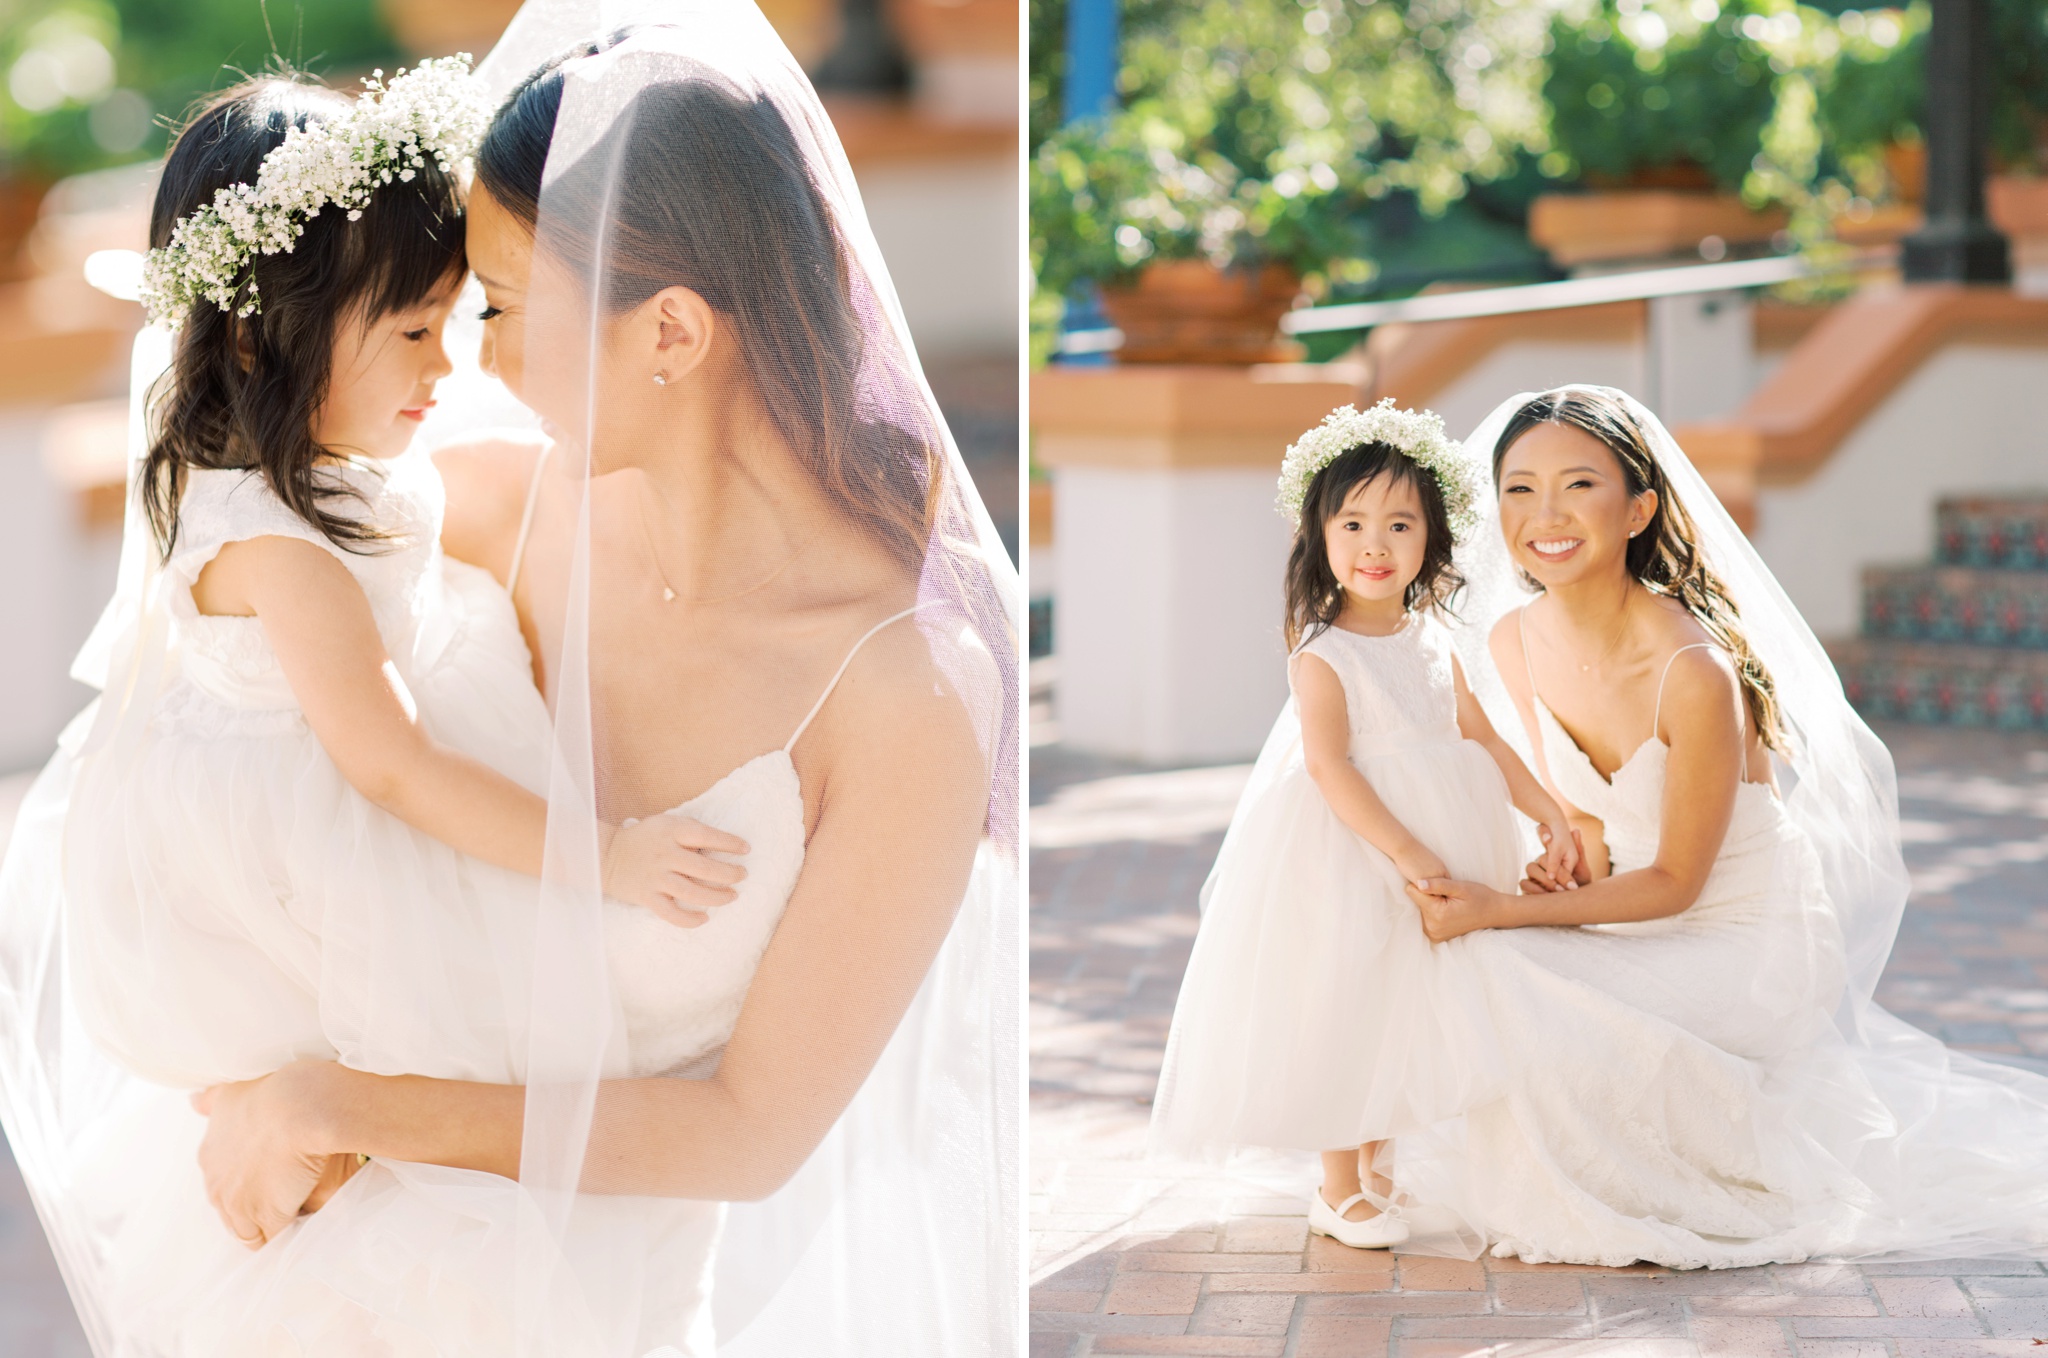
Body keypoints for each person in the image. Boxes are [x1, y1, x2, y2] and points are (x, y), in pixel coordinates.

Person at [1, 7, 1020, 1355]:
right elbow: (235, 732)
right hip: (308, 1264)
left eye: (500, 306)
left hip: (586, 1307)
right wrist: (254, 1064)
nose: (470, 359)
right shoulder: (467, 506)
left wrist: (336, 1106)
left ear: (670, 330)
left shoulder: (906, 696)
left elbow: (749, 1128)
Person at [1391, 386, 2048, 1268]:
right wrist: (1568, 863)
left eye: (1578, 485)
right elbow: (1584, 814)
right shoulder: (1513, 639)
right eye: (1520, 489)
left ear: (1638, 510)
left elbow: (1678, 883)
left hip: (1747, 937)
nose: (1545, 515)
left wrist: (1502, 910)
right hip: (1641, 913)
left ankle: (1634, 1180)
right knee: (1484, 964)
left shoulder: (1693, 669)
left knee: (1506, 961)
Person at [1149, 402, 1574, 1252]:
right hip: (1356, 848)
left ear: (1432, 539)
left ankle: (1378, 1170)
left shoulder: (1436, 639)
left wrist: (1549, 811)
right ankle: (1337, 1185)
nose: (1375, 545)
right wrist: (1408, 850)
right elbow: (1329, 765)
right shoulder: (1324, 654)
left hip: (1446, 829)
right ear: (1319, 534)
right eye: (1352, 524)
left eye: (1399, 524)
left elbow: (1485, 738)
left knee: (1404, 1005)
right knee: (1349, 1002)